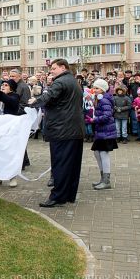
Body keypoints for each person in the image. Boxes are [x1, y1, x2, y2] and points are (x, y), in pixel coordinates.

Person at [28, 58, 85, 207]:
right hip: (73, 129)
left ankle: (57, 196)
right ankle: (68, 195)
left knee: (60, 164)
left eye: (53, 68)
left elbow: (48, 97)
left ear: (62, 67)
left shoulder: (60, 82)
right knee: (71, 165)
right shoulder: (73, 81)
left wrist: (34, 101)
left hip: (62, 130)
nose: (51, 71)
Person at [0, 79, 21, 188]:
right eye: (2, 85)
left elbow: (9, 101)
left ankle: (12, 177)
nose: (3, 87)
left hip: (8, 130)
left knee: (9, 153)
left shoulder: (14, 96)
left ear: (11, 88)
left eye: (6, 85)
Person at [90, 79, 117, 190]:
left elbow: (107, 116)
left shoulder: (104, 99)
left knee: (103, 154)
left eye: (97, 88)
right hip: (101, 131)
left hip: (106, 131)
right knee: (97, 153)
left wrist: (94, 120)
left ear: (102, 89)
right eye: (94, 88)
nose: (94, 90)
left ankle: (106, 181)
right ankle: (103, 178)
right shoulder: (99, 99)